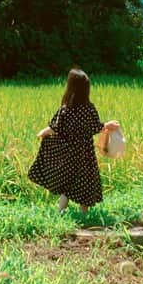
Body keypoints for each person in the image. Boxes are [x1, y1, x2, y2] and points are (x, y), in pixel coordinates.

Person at [28, 67, 120, 212]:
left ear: (70, 88)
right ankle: (84, 214)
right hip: (85, 154)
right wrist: (107, 125)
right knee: (84, 182)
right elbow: (96, 127)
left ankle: (61, 211)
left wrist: (41, 134)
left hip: (68, 154)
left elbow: (54, 128)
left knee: (67, 183)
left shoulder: (65, 109)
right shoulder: (89, 108)